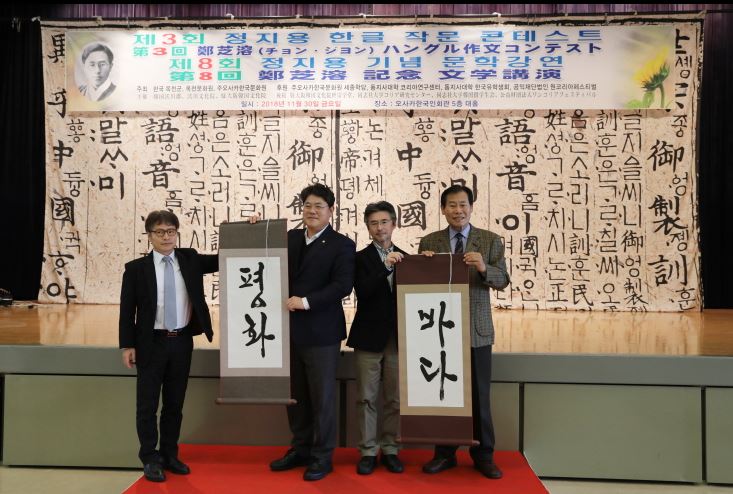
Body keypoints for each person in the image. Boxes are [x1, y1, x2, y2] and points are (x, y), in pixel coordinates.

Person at [119, 210, 218, 483]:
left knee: (174, 404)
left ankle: (170, 454)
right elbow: (127, 311)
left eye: (171, 231)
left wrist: (250, 227)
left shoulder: (190, 259)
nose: (166, 237)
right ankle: (150, 458)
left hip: (182, 341)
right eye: (160, 232)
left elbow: (224, 258)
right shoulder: (136, 269)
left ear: (177, 233)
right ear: (149, 235)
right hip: (150, 343)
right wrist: (127, 345)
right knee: (147, 406)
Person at [418, 185, 510, 480]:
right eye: (452, 205)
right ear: (443, 209)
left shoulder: (490, 240)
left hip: (476, 330)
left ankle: (484, 456)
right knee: (444, 393)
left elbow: (503, 279)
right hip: (441, 330)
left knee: (479, 397)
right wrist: (425, 265)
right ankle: (444, 454)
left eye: (463, 205)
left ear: (471, 207)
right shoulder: (430, 241)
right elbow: (421, 284)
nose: (458, 210)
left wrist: (483, 267)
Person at [269, 183, 356, 481]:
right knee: (295, 397)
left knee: (322, 398)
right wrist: (254, 227)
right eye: (307, 205)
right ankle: (300, 448)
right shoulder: (290, 238)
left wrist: (305, 302)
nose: (312, 210)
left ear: (331, 210)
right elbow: (261, 251)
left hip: (321, 334)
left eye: (319, 206)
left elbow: (342, 286)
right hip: (288, 331)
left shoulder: (342, 244)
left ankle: (322, 456)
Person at [346, 201, 407, 475]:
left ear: (394, 224)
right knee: (366, 398)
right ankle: (368, 451)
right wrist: (385, 267)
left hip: (398, 338)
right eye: (374, 223)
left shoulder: (407, 257)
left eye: (384, 222)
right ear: (368, 228)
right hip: (368, 336)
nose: (380, 227)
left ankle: (391, 448)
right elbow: (363, 291)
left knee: (395, 399)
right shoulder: (359, 258)